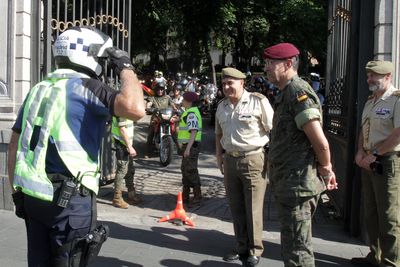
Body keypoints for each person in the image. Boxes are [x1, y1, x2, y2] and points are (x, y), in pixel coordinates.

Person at [7, 26, 145, 266]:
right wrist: (126, 68)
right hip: (70, 203)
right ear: (87, 54)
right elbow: (135, 109)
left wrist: (15, 192)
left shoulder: (38, 89)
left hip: (32, 196)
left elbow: (13, 147)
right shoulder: (87, 87)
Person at [264, 42, 337, 267]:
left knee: (298, 250)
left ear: (287, 64)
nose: (265, 67)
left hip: (298, 185)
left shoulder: (298, 91)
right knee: (292, 244)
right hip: (289, 183)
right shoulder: (285, 92)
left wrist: (326, 167)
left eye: (270, 63)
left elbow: (319, 141)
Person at [215, 67, 274, 267]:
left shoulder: (259, 102)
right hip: (230, 160)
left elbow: (273, 130)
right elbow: (218, 134)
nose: (226, 86)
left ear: (242, 83)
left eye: (230, 83)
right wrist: (219, 156)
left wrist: (271, 159)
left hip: (253, 159)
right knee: (236, 206)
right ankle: (240, 246)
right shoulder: (221, 106)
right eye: (224, 83)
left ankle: (255, 250)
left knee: (253, 207)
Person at [353, 60, 400, 267]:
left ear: (388, 77)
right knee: (371, 212)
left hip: (387, 162)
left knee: (389, 215)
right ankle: (374, 256)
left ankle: (391, 262)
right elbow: (364, 130)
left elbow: (398, 134)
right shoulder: (370, 101)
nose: (369, 79)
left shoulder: (397, 100)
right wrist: (360, 152)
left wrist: (376, 153)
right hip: (369, 161)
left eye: (375, 76)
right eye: (369, 75)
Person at [111, 117, 142, 209]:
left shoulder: (125, 110)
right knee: (122, 171)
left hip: (125, 145)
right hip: (122, 145)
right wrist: (129, 146)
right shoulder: (121, 110)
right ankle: (117, 198)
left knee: (130, 169)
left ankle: (131, 194)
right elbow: (122, 129)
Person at [178, 92, 203, 206]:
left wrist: (187, 148)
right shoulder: (189, 112)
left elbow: (193, 131)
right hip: (189, 145)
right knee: (185, 169)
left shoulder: (191, 113)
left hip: (191, 146)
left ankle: (197, 195)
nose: (182, 101)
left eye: (183, 99)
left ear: (188, 101)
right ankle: (185, 195)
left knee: (190, 170)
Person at [145, 81, 174, 157]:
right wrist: (148, 108)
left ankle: (179, 147)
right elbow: (149, 104)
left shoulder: (168, 97)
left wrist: (176, 110)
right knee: (151, 131)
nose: (160, 91)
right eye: (158, 89)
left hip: (167, 117)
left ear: (164, 90)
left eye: (161, 89)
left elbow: (173, 106)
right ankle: (148, 152)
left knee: (175, 130)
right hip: (156, 117)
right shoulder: (153, 97)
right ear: (156, 90)